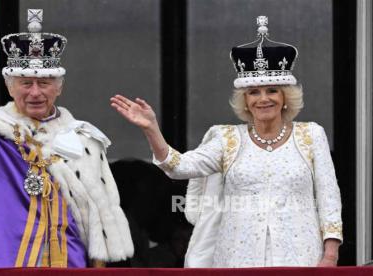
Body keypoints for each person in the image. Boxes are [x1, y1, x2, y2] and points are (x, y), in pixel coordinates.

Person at [110, 16, 342, 267]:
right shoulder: (227, 139)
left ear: (285, 97)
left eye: (272, 90)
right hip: (238, 258)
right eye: (254, 92)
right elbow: (179, 167)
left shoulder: (311, 135)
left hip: (300, 256)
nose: (263, 99)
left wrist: (330, 254)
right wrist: (151, 129)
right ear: (245, 101)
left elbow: (329, 197)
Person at [0, 9, 133, 269]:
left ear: (59, 88)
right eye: (25, 83)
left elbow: (98, 217)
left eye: (44, 83)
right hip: (4, 261)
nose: (35, 92)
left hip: (68, 261)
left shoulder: (83, 140)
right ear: (10, 87)